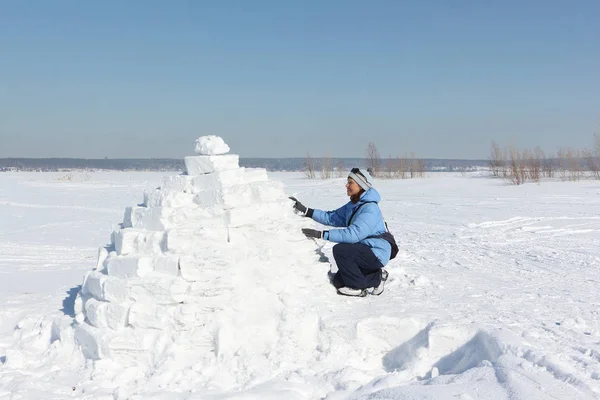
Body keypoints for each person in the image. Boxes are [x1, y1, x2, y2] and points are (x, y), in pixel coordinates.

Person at [290, 168, 391, 297]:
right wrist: (307, 211)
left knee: (341, 250)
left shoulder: (370, 208)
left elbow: (353, 235)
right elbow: (332, 217)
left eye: (350, 182)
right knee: (339, 281)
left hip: (377, 251)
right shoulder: (353, 205)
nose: (346, 185)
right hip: (363, 250)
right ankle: (377, 277)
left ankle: (357, 287)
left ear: (361, 186)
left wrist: (322, 235)